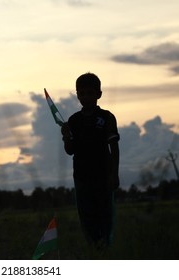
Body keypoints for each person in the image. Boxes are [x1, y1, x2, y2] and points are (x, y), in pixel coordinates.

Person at [61, 72, 120, 249]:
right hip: (81, 177)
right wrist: (65, 137)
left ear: (98, 94)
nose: (86, 97)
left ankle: (106, 248)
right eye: (82, 93)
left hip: (103, 176)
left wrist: (114, 174)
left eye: (90, 93)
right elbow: (70, 151)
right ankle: (94, 249)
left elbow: (114, 148)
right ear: (77, 95)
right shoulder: (73, 121)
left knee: (105, 215)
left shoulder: (107, 117)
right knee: (86, 217)